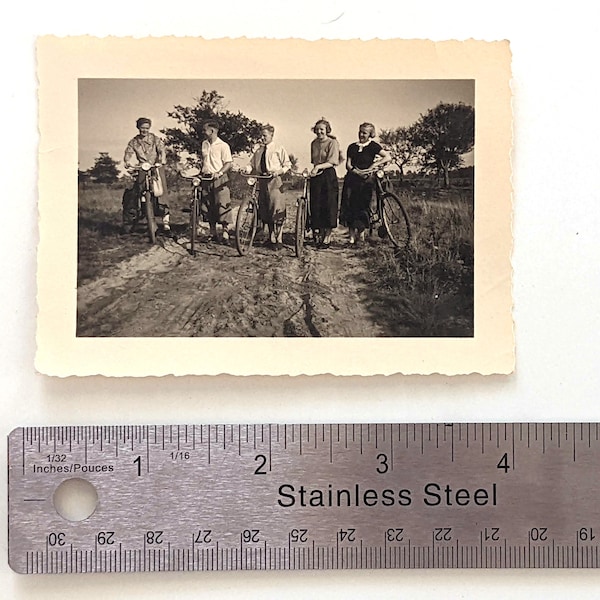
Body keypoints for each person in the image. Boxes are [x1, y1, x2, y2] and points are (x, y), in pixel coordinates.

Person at [340, 122, 391, 245]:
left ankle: (361, 235)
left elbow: (387, 157)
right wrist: (356, 172)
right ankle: (351, 237)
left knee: (363, 205)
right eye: (360, 131)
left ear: (370, 134)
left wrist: (374, 165)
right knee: (350, 205)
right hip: (352, 179)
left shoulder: (373, 146)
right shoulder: (352, 147)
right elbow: (348, 164)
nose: (361, 134)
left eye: (364, 133)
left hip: (366, 180)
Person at [123, 117, 170, 232]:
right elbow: (128, 152)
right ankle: (133, 217)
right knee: (134, 192)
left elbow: (162, 150)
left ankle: (166, 220)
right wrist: (127, 162)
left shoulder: (155, 139)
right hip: (143, 168)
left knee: (161, 192)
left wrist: (162, 160)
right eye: (142, 128)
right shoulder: (134, 141)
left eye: (147, 128)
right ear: (138, 128)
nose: (144, 130)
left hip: (156, 167)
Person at [249, 125, 291, 250]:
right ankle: (271, 237)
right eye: (261, 135)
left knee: (276, 209)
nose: (262, 138)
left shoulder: (278, 148)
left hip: (274, 181)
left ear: (271, 135)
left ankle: (279, 238)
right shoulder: (258, 151)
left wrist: (278, 171)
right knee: (266, 209)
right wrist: (245, 169)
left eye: (265, 135)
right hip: (262, 180)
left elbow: (287, 164)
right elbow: (251, 164)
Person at [200, 120, 233, 243]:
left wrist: (219, 173)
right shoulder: (204, 144)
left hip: (219, 178)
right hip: (206, 178)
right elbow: (204, 161)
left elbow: (228, 163)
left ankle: (225, 234)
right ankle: (212, 233)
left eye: (205, 130)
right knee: (208, 205)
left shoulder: (223, 145)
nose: (203, 132)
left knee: (222, 204)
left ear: (212, 131)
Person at [309, 118, 341, 249]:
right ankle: (319, 233)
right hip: (317, 176)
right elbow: (314, 161)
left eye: (322, 129)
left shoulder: (332, 142)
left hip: (328, 176)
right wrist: (314, 170)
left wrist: (318, 167)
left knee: (329, 205)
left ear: (327, 130)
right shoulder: (314, 143)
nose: (319, 132)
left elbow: (333, 161)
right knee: (316, 205)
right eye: (317, 129)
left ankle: (327, 238)